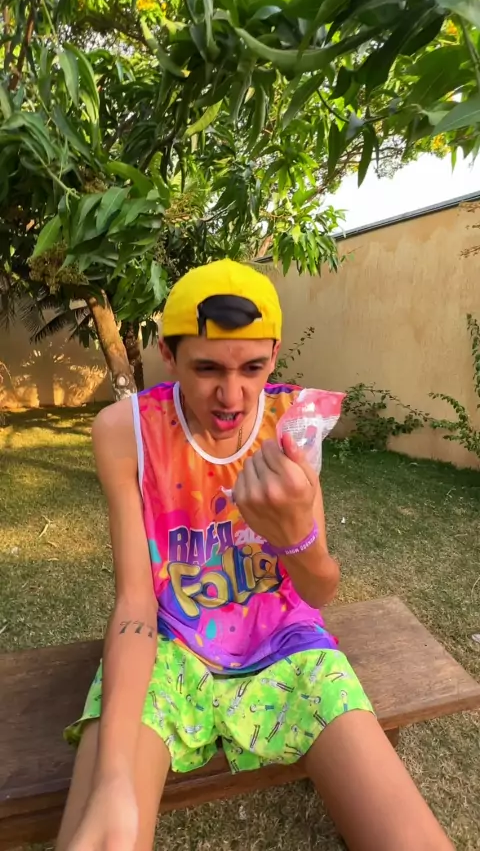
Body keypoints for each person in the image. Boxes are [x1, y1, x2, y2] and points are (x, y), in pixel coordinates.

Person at [57, 259, 454, 851]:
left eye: (253, 368)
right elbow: (136, 605)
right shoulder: (125, 431)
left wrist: (294, 534)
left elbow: (318, 591)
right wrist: (112, 776)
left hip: (289, 645)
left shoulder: (295, 425)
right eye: (207, 368)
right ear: (168, 355)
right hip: (170, 650)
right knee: (101, 825)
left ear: (274, 355)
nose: (232, 395)